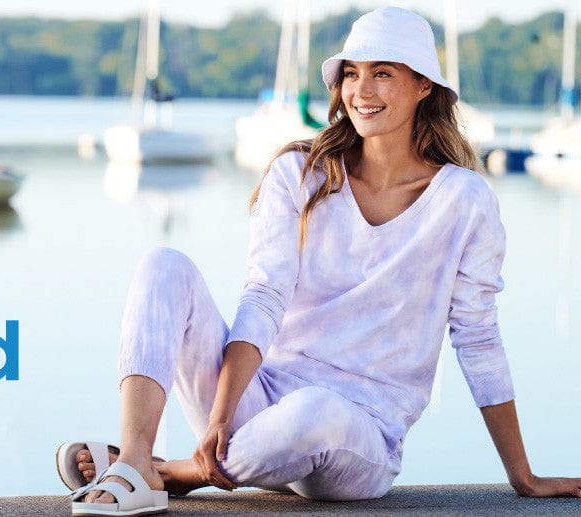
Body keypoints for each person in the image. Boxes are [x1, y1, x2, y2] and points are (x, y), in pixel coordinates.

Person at [57, 6, 581, 516]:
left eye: (382, 73)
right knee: (163, 262)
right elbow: (264, 295)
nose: (361, 91)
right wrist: (221, 415)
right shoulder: (299, 174)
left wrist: (523, 476)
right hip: (259, 409)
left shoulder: (465, 201)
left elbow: (478, 337)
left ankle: (174, 473)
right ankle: (133, 462)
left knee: (316, 412)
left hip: (359, 437)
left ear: (425, 86)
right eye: (351, 74)